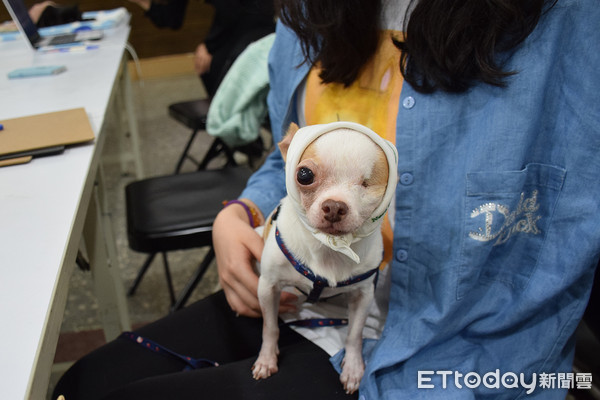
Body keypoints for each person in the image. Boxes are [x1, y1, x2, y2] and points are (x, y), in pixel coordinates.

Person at [53, 0, 600, 399]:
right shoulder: (311, 14)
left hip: (451, 345)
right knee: (86, 380)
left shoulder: (570, 22)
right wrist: (239, 212)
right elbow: (285, 158)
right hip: (303, 292)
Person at [128, 0, 275, 97]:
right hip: (236, 23)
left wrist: (208, 45)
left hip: (256, 22)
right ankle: (235, 132)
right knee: (209, 67)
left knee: (216, 67)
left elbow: (231, 8)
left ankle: (238, 131)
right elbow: (173, 18)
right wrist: (144, 2)